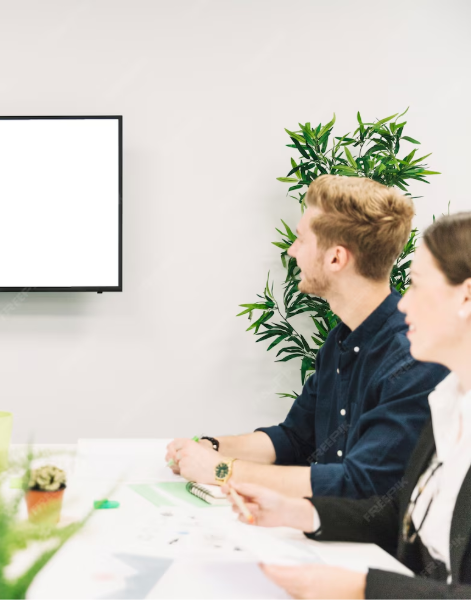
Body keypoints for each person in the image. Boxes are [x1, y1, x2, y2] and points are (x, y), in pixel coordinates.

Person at [224, 212, 471, 598]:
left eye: (416, 286)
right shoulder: (448, 403)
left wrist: (361, 588)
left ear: (466, 297)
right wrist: (303, 512)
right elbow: (407, 522)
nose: (403, 306)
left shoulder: (420, 377)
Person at [166, 175, 449, 499]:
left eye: (302, 239)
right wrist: (212, 447)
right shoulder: (340, 341)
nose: (292, 250)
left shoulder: (412, 358)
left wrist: (222, 470)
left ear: (335, 258)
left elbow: (361, 484)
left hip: (367, 548)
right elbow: (294, 439)